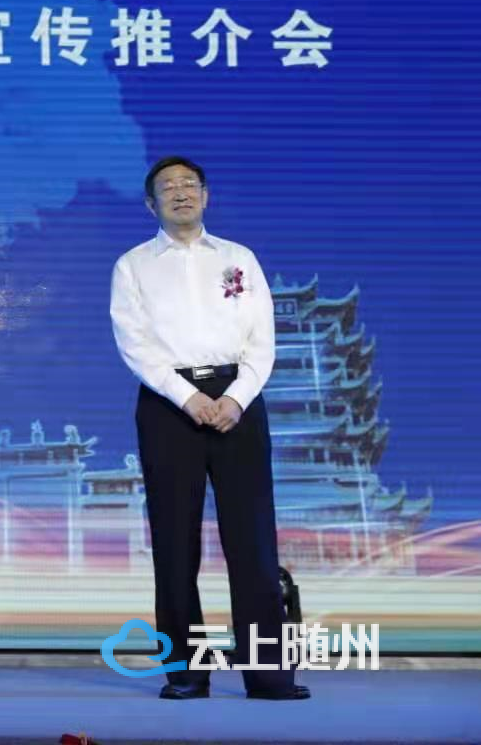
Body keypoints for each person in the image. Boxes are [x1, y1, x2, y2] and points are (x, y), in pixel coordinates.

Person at [109, 157, 309, 701]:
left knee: (253, 541)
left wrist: (236, 398)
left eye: (189, 185)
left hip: (238, 403)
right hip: (168, 405)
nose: (180, 193)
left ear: (205, 195)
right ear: (150, 204)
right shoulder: (133, 266)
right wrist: (188, 397)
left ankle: (269, 674)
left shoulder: (239, 258)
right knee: (175, 544)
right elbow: (135, 345)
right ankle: (186, 674)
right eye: (167, 187)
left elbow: (262, 341)